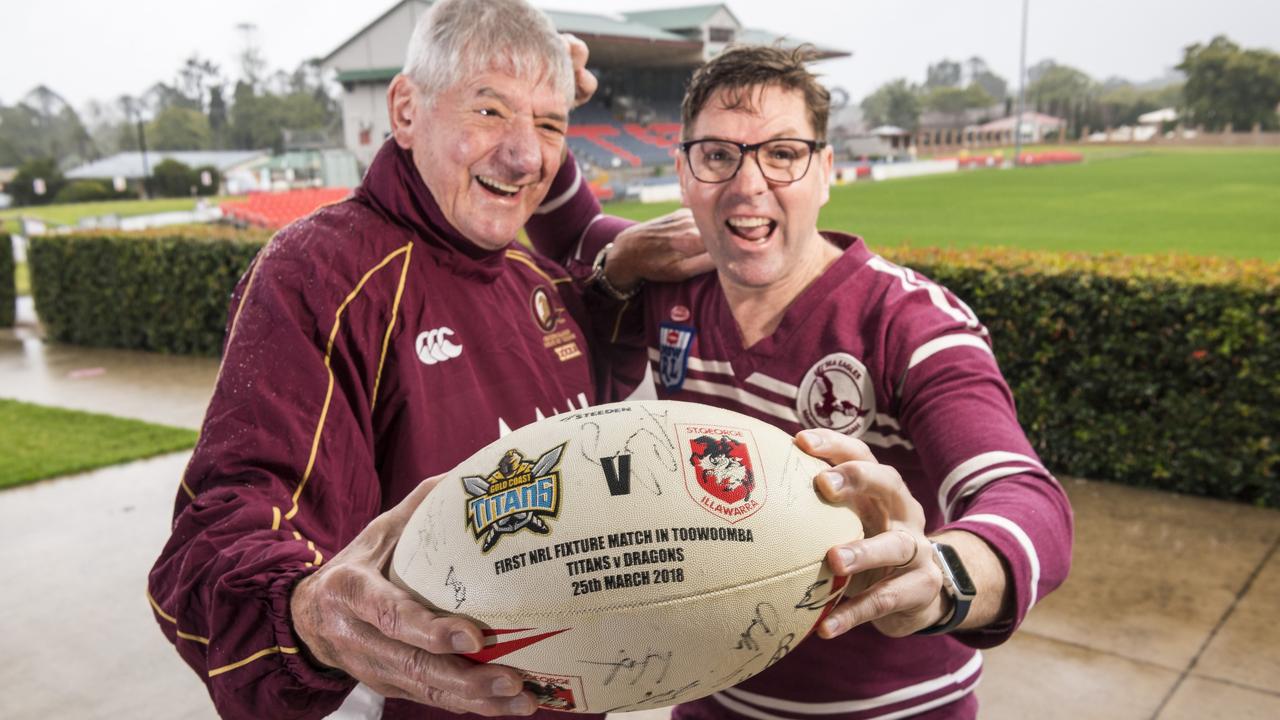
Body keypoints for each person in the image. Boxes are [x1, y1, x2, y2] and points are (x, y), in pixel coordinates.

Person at [146, 1, 707, 719]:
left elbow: (598, 376)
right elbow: (223, 531)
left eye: (550, 124)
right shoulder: (322, 275)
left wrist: (618, 273)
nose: (525, 155)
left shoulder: (537, 282)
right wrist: (310, 615)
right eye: (490, 110)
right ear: (406, 110)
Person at [536, 45, 1074, 719]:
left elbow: (1023, 497)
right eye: (717, 155)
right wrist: (545, 93)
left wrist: (941, 576)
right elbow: (563, 219)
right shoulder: (671, 282)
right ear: (683, 172)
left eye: (782, 153)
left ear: (825, 170)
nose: (748, 183)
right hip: (710, 699)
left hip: (896, 711)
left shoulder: (907, 324)